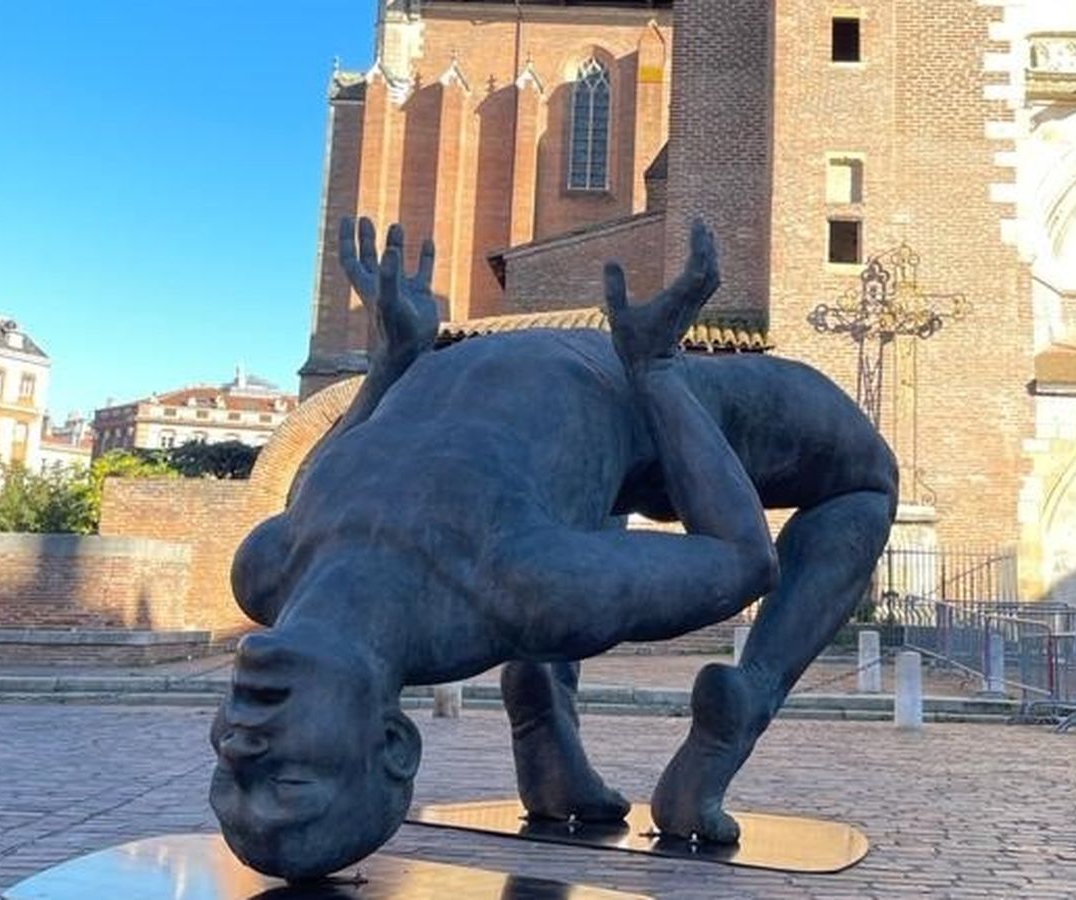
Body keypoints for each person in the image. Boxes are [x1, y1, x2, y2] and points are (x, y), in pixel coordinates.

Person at [210, 218, 898, 881]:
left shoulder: (266, 571)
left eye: (228, 776)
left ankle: (544, 716)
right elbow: (745, 559)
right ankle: (744, 701)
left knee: (564, 524)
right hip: (615, 385)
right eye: (287, 781)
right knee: (865, 478)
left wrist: (392, 362)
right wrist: (658, 372)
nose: (246, 742)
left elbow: (329, 475)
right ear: (391, 745)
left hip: (479, 389)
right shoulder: (521, 586)